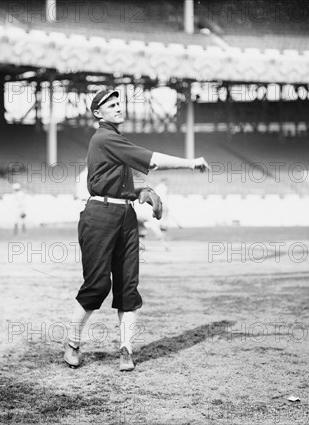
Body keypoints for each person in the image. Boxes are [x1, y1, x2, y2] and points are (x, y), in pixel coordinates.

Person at [64, 89, 209, 371]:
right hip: (100, 215)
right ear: (98, 113)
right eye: (111, 104)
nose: (118, 107)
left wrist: (139, 190)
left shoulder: (116, 140)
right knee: (97, 285)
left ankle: (126, 351)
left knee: (128, 286)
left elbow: (115, 180)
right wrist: (191, 163)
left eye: (119, 103)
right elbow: (153, 160)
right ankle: (72, 342)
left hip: (124, 214)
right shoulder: (105, 137)